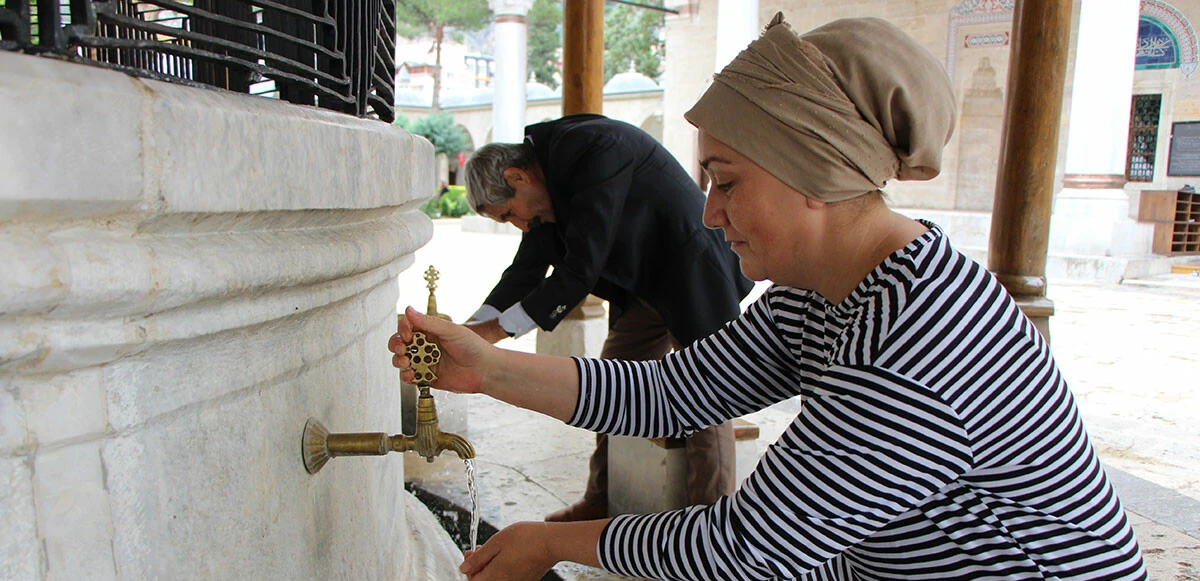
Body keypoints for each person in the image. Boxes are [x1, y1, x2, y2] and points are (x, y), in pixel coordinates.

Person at [391, 14, 1148, 581]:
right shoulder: (825, 291)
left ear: (815, 172)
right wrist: (484, 370)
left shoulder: (913, 340)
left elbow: (748, 544)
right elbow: (671, 390)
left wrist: (550, 542)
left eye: (727, 180)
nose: (709, 213)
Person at [460, 113, 754, 522]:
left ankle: (709, 527)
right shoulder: (545, 192)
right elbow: (523, 273)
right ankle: (601, 499)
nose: (518, 225)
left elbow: (581, 268)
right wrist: (469, 332)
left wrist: (490, 336)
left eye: (508, 214)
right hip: (646, 287)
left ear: (518, 177)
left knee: (707, 399)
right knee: (612, 382)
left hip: (691, 274)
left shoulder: (590, 148)